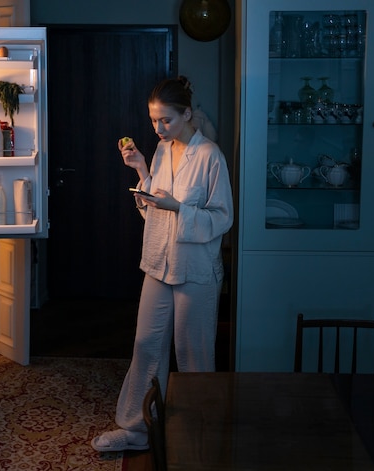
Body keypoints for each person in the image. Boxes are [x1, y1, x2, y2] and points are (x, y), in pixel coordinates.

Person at [91, 76, 234, 452]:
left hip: (196, 269)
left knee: (194, 352)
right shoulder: (159, 149)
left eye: (166, 120)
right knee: (146, 344)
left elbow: (222, 218)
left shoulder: (209, 156)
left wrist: (177, 208)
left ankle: (198, 434)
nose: (159, 128)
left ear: (187, 114)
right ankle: (137, 429)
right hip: (159, 261)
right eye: (154, 120)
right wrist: (140, 170)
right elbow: (154, 210)